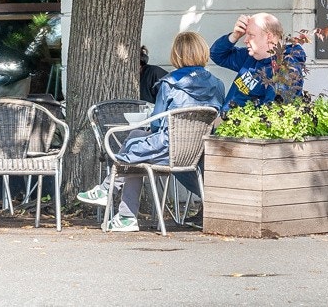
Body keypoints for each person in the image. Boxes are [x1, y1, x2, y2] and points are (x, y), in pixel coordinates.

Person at [79, 31, 226, 231]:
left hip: (167, 149)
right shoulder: (218, 85)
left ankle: (112, 196)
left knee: (133, 145)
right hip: (197, 153)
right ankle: (121, 211)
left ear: (177, 54)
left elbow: (156, 124)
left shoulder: (169, 83)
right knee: (135, 142)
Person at [210, 12, 305, 109]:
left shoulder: (286, 69)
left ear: (269, 37)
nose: (245, 40)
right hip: (227, 116)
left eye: (251, 35)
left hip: (243, 118)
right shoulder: (251, 57)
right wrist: (235, 35)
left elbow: (273, 111)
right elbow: (217, 55)